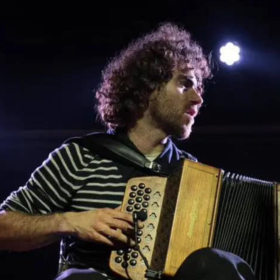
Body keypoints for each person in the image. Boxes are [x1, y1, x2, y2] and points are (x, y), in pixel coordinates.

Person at [0, 22, 255, 280]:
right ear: (148, 88)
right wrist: (70, 222)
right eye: (185, 84)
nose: (198, 99)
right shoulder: (80, 156)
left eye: (199, 89)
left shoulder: (195, 176)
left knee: (215, 265)